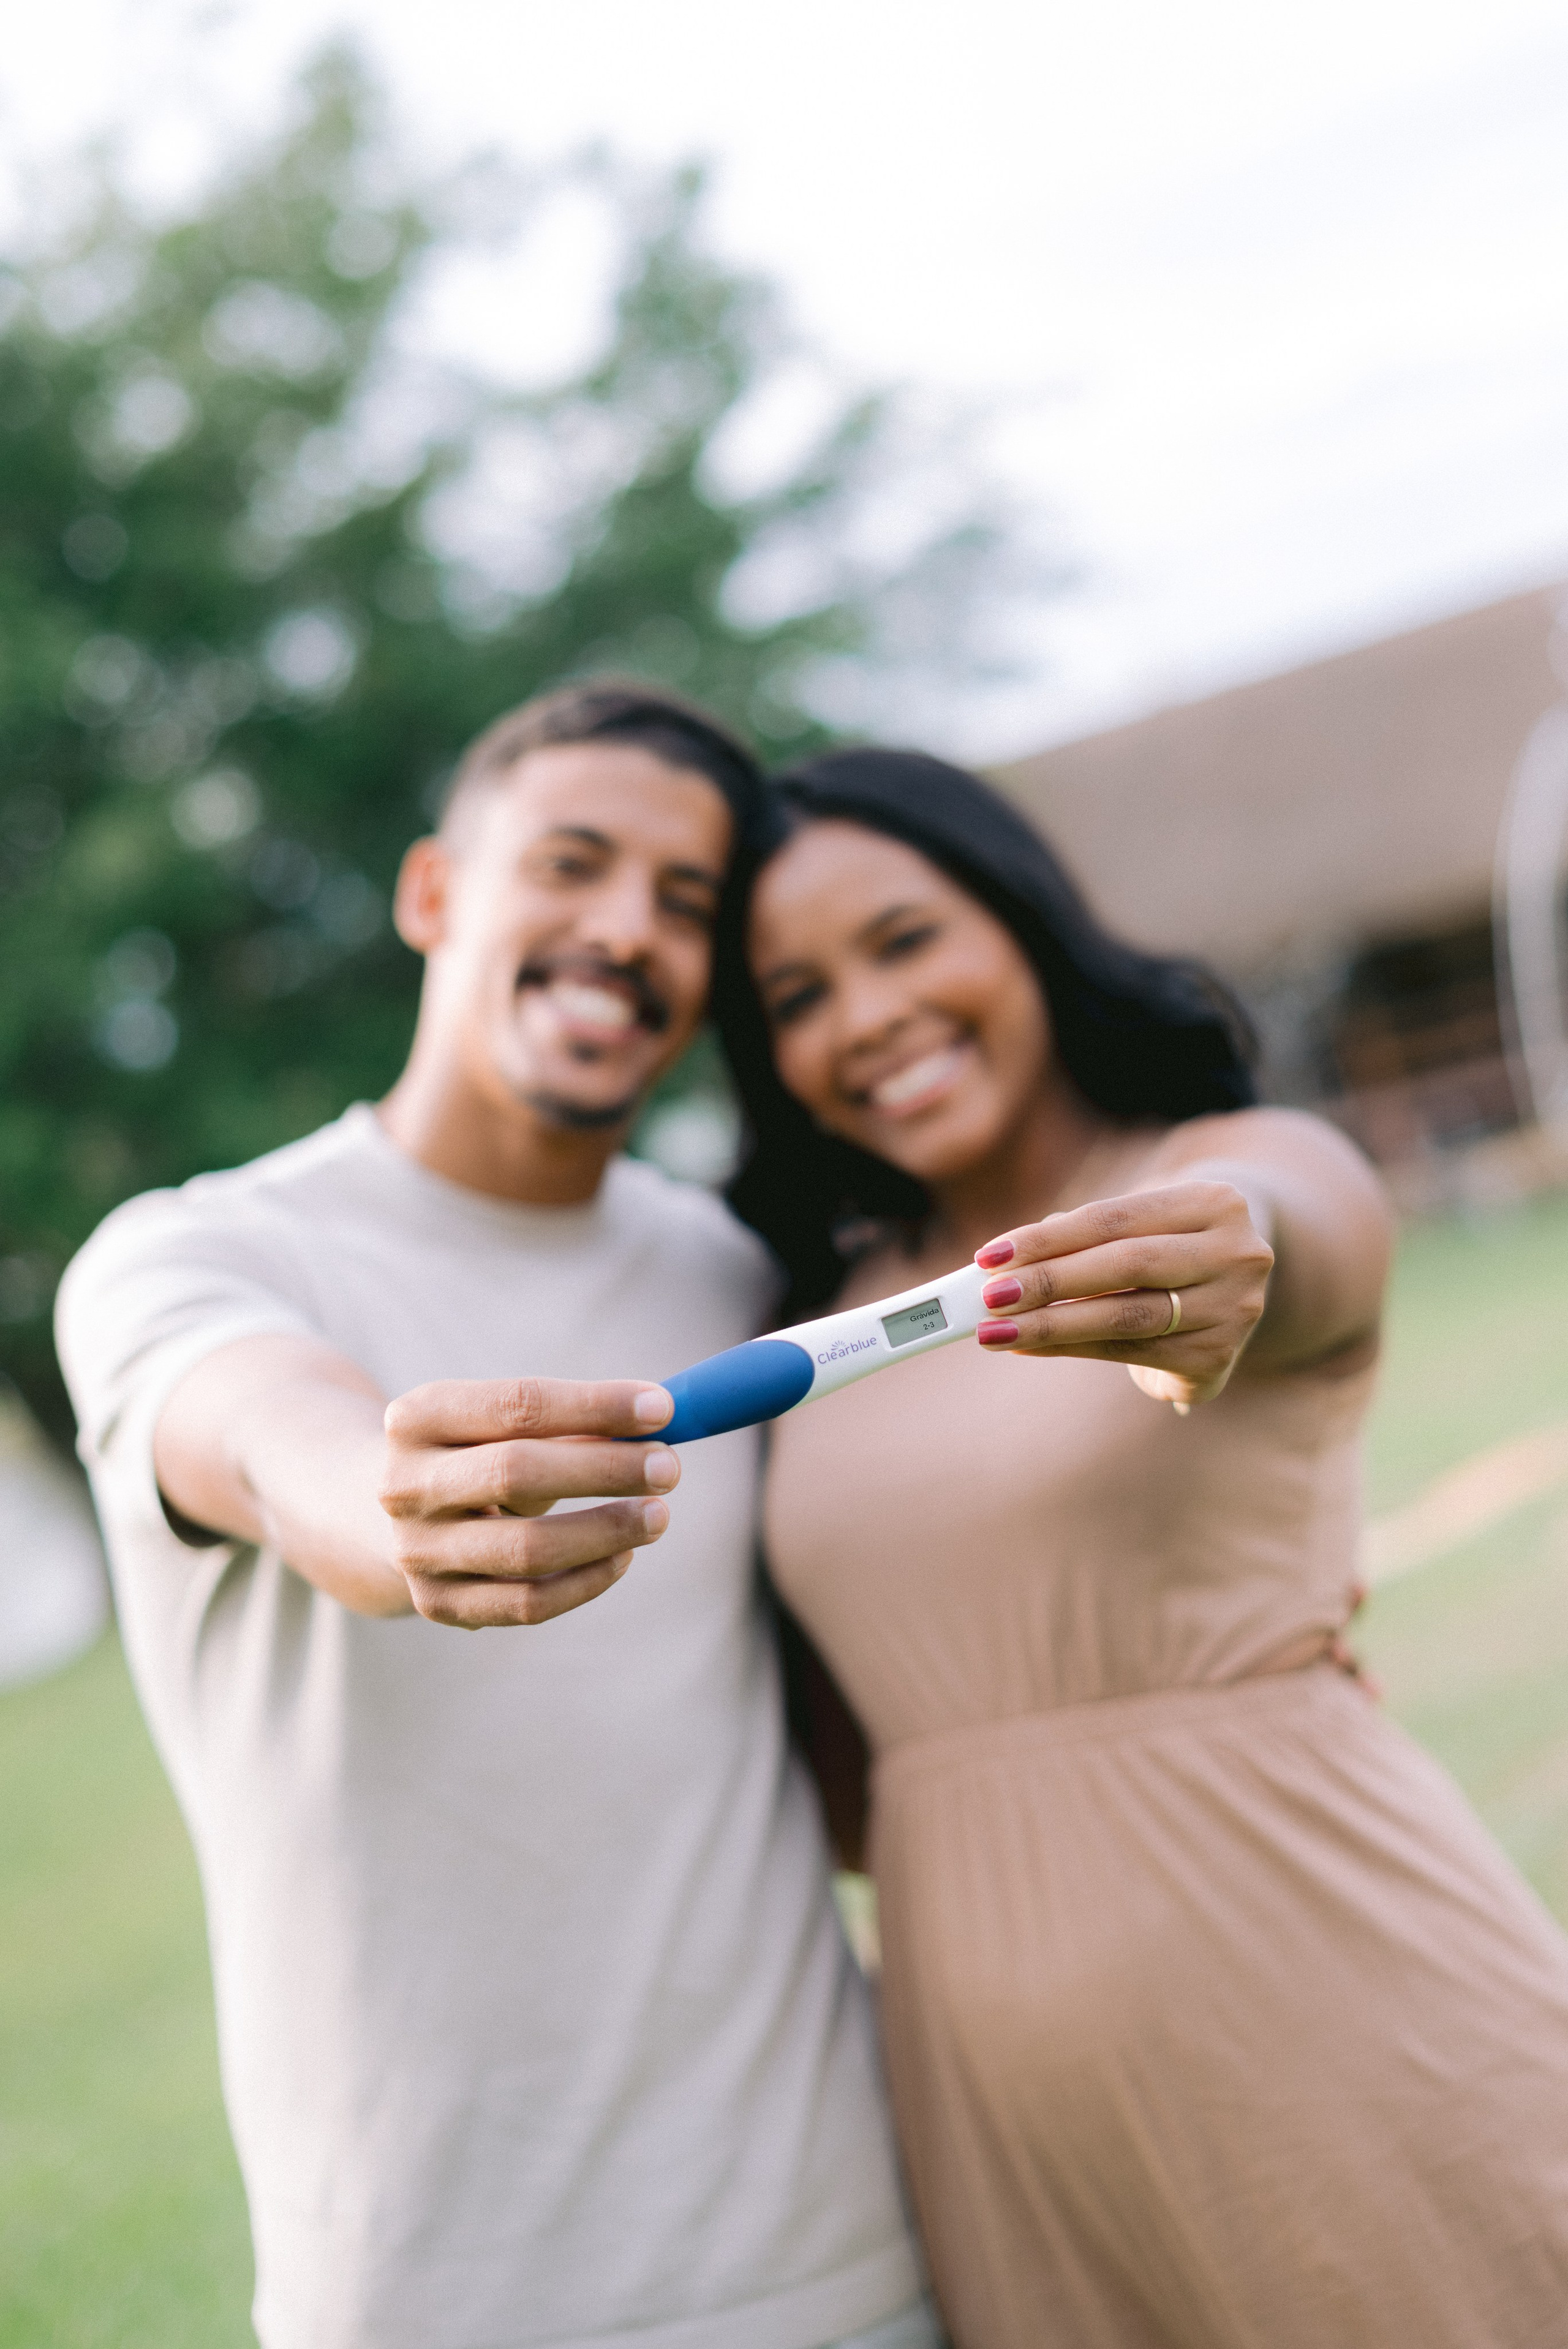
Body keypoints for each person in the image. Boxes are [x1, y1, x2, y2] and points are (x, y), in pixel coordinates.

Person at [55, 685, 935, 2349]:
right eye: (575, 863)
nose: (626, 929)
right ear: (435, 894)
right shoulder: (193, 1255)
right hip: (440, 2298)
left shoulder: (740, 1280)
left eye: (686, 904)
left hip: (849, 2249)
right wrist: (394, 1509)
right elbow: (266, 1437)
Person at [714, 744, 1568, 2349]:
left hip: (1328, 1990)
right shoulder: (813, 1330)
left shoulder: (1218, 1166)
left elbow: (1301, 1229)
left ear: (1024, 922)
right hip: (993, 2105)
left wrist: (1235, 1237)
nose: (868, 1013)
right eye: (796, 995)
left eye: (905, 939)